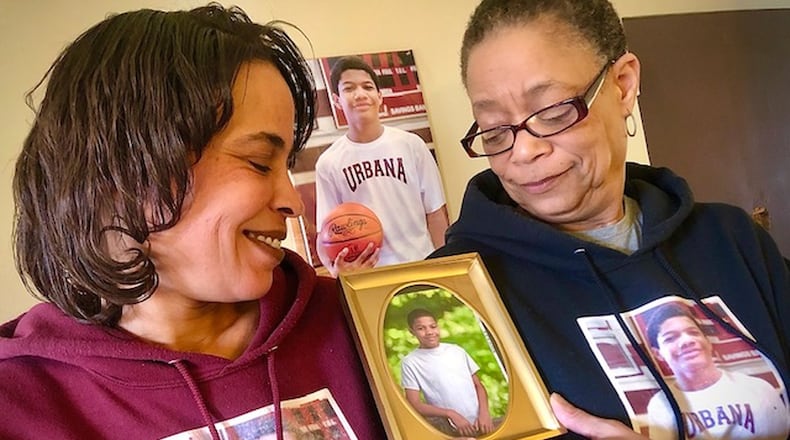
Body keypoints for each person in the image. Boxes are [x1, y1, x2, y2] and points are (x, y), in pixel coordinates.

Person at [0, 5, 386, 439]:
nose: (292, 202)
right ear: (125, 172)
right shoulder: (18, 402)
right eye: (260, 162)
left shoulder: (367, 325)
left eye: (288, 165)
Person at [431, 0, 790, 438]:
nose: (523, 152)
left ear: (622, 85)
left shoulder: (732, 241)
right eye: (494, 130)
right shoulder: (453, 292)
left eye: (553, 112)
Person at [314, 55, 449, 276]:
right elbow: (325, 234)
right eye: (349, 89)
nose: (360, 94)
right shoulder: (329, 163)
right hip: (369, 276)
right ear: (337, 100)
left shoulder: (412, 145)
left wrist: (445, 267)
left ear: (379, 97)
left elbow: (435, 213)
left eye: (367, 87)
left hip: (420, 264)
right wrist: (336, 270)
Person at [645, 303, 790, 439]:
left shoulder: (758, 388)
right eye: (670, 338)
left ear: (707, 341)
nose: (687, 341)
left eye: (693, 332)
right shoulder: (659, 405)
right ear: (658, 354)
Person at [400, 308, 494, 437]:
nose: (429, 332)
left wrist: (484, 414)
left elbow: (478, 386)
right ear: (412, 332)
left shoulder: (457, 351)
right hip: (450, 430)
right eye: (421, 328)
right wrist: (451, 414)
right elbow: (414, 404)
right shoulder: (410, 362)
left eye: (432, 327)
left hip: (481, 424)